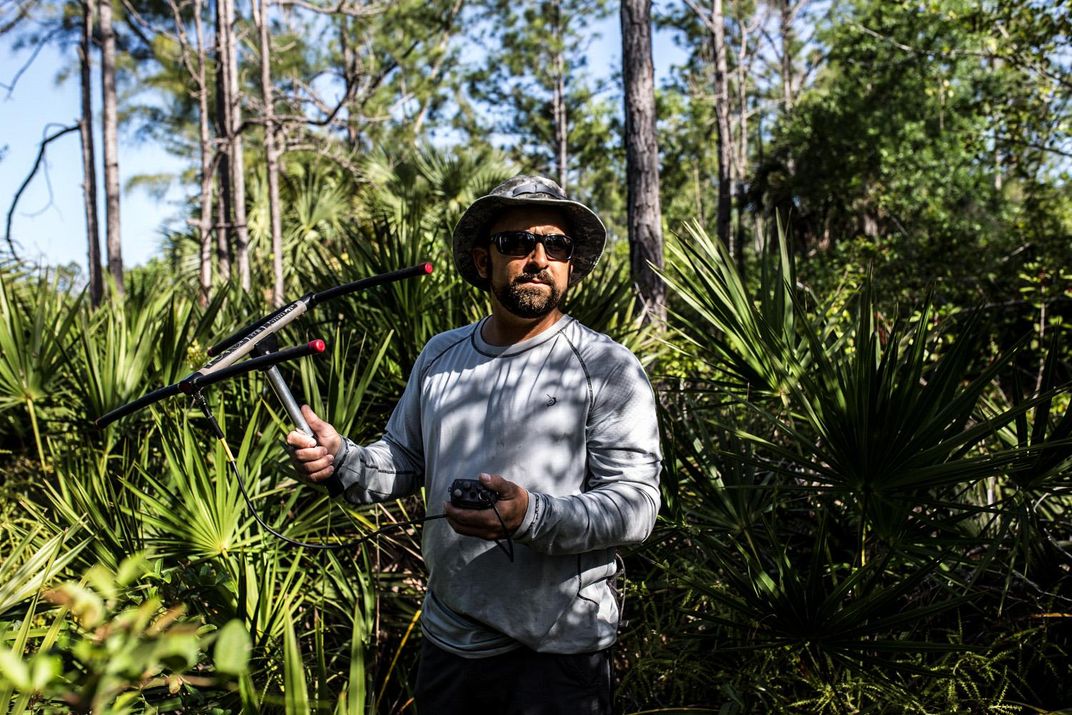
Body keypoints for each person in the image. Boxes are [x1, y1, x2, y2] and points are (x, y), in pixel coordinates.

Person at [287, 175, 662, 714]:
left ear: (571, 267)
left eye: (555, 245)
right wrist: (341, 460)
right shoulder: (442, 356)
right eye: (516, 243)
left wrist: (531, 515)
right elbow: (403, 460)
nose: (538, 258)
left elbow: (636, 508)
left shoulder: (606, 367)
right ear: (484, 262)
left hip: (557, 653)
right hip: (450, 642)